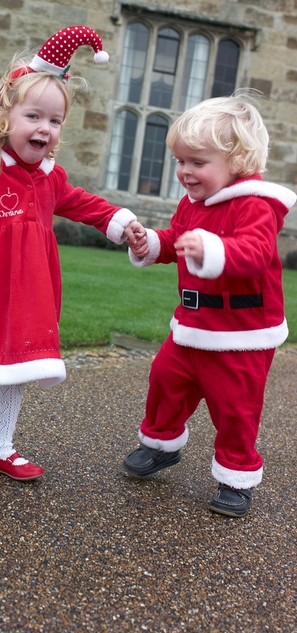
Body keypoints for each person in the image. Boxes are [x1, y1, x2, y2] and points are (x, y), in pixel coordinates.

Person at [0, 25, 146, 497]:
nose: (45, 129)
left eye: (54, 121)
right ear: (3, 115)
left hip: (29, 293)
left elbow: (80, 202)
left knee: (17, 372)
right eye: (34, 115)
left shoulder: (49, 178)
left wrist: (120, 222)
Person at [123, 94, 296, 517]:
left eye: (197, 163)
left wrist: (212, 247)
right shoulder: (193, 204)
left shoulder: (257, 204)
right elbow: (179, 238)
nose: (184, 172)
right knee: (165, 379)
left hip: (242, 334)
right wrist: (153, 242)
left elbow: (253, 253)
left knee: (235, 407)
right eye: (180, 162)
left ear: (236, 160)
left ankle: (236, 477)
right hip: (193, 325)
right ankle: (161, 445)